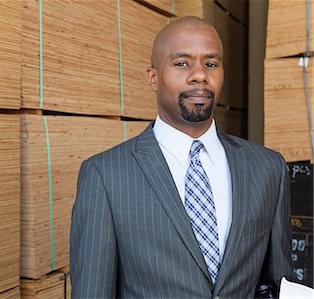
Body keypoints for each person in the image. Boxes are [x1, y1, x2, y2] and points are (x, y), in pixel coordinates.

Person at [70, 16, 294, 298]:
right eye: (182, 63)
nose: (200, 75)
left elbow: (278, 285)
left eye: (211, 64)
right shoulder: (105, 176)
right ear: (153, 77)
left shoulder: (268, 168)